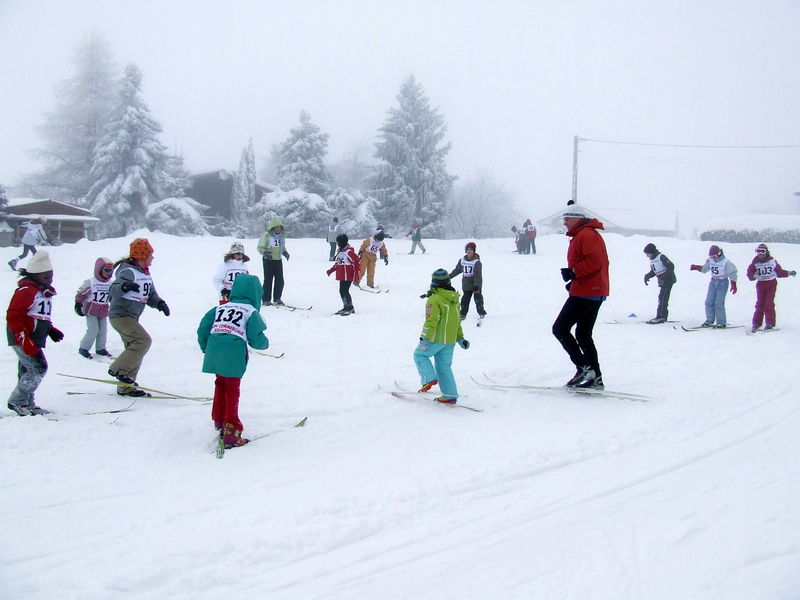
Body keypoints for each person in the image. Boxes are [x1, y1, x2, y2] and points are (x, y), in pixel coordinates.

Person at [197, 273, 269, 448]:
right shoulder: (250, 311)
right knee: (232, 388)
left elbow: (203, 328)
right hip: (233, 351)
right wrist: (264, 344)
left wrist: (206, 348)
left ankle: (219, 418)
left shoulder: (220, 307)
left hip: (215, 348)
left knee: (220, 383)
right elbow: (256, 337)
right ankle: (231, 429)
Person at [552, 204, 609, 389]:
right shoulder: (586, 233)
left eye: (567, 219)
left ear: (577, 218)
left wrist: (574, 272)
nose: (564, 222)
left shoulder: (586, 234)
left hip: (587, 291)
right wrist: (574, 278)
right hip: (594, 290)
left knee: (560, 328)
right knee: (583, 335)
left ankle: (584, 368)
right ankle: (596, 377)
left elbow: (595, 261)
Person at [107, 238, 170, 397]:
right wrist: (125, 286)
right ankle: (118, 370)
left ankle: (126, 386)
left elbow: (150, 294)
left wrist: (159, 303)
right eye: (150, 254)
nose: (153, 258)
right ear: (141, 256)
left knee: (134, 349)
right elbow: (113, 290)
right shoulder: (128, 271)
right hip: (120, 316)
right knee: (143, 341)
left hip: (131, 317)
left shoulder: (144, 274)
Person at [5, 250, 64, 415]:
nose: (50, 279)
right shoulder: (26, 291)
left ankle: (27, 403)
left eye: (51, 276)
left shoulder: (41, 292)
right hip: (22, 337)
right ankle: (16, 401)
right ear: (35, 275)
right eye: (46, 277)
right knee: (39, 368)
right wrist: (23, 339)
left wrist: (50, 329)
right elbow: (14, 316)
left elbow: (38, 316)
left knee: (27, 371)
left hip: (33, 338)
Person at [414, 269, 470, 404]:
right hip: (449, 340)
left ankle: (429, 378)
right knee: (443, 366)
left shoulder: (434, 300)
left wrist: (424, 337)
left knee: (419, 355)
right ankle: (450, 395)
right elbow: (456, 321)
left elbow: (431, 321)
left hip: (436, 339)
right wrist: (460, 338)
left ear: (433, 284)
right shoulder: (454, 299)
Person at [746, 243, 796, 333]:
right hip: (761, 284)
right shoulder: (755, 263)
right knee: (759, 304)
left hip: (771, 284)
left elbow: (779, 272)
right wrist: (754, 276)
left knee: (768, 303)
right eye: (758, 251)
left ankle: (770, 323)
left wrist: (789, 273)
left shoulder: (772, 261)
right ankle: (756, 323)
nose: (760, 254)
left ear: (767, 252)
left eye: (762, 251)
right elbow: (749, 274)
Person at [74, 257, 114, 359]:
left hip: (103, 309)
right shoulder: (91, 282)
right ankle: (84, 347)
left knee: (103, 330)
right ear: (99, 270)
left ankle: (100, 348)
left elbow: (112, 296)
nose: (108, 273)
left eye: (111, 271)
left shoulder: (110, 283)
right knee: (93, 329)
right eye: (106, 270)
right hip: (91, 309)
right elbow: (81, 293)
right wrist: (78, 304)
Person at [690, 244, 738, 328]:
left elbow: (732, 273)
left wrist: (733, 284)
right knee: (709, 301)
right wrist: (696, 267)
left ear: (719, 253)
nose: (713, 258)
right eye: (711, 256)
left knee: (718, 302)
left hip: (722, 282)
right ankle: (709, 320)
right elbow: (705, 269)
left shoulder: (726, 262)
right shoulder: (710, 260)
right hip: (713, 282)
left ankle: (721, 322)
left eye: (714, 256)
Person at [449, 241, 487, 321]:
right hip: (466, 284)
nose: (469, 251)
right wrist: (449, 276)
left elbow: (478, 275)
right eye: (468, 250)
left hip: (475, 283)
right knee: (465, 299)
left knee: (478, 299)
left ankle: (481, 312)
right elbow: (457, 270)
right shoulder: (462, 260)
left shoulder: (476, 262)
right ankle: (463, 313)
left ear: (474, 251)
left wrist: (477, 286)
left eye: (471, 250)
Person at [257, 217, 290, 305]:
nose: (278, 229)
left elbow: (281, 247)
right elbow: (259, 247)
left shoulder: (281, 236)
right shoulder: (267, 235)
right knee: (268, 280)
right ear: (272, 228)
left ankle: (277, 298)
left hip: (278, 259)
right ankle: (266, 299)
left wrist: (285, 252)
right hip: (268, 260)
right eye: (276, 227)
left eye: (279, 227)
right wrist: (265, 253)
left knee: (280, 280)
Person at [642, 242, 677, 324]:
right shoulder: (653, 260)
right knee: (661, 298)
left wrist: (665, 276)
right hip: (662, 281)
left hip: (668, 280)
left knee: (663, 298)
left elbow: (671, 266)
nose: (646, 255)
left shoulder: (661, 257)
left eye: (647, 253)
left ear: (652, 252)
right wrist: (647, 276)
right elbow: (654, 271)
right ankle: (661, 316)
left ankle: (661, 316)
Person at [326, 233, 360, 315]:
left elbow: (356, 263)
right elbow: (338, 264)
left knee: (345, 291)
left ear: (341, 243)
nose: (337, 244)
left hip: (348, 276)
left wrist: (356, 277)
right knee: (342, 291)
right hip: (341, 276)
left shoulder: (348, 252)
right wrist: (331, 270)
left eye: (338, 242)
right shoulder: (340, 252)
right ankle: (346, 306)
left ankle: (350, 307)